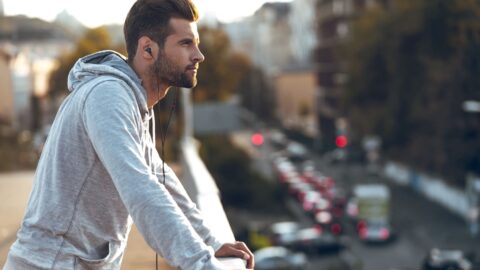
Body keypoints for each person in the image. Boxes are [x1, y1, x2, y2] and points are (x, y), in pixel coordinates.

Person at [3, 0, 254, 269]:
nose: (198, 55)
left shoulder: (130, 101)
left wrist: (210, 242)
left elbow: (160, 178)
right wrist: (201, 262)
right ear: (148, 48)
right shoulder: (107, 96)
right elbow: (140, 187)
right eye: (186, 43)